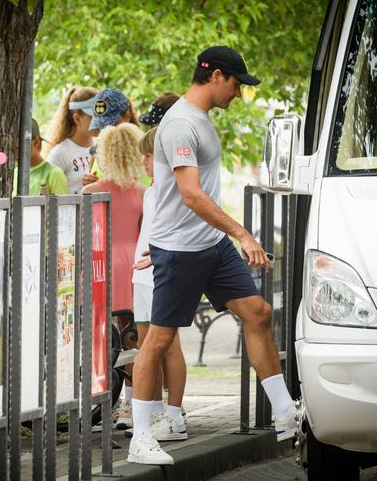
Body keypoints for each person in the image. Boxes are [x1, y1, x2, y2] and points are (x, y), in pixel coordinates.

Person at [127, 46, 298, 466]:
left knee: (257, 312)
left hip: (210, 246)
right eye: (237, 84)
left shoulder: (199, 121)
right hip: (182, 252)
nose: (238, 93)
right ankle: (141, 438)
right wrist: (243, 234)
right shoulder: (180, 125)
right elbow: (190, 195)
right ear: (217, 76)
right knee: (159, 340)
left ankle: (285, 414)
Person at [82, 122, 145, 429]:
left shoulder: (93, 191)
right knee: (134, 334)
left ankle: (101, 400)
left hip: (103, 265)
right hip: (135, 263)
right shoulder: (143, 193)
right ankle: (133, 403)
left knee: (102, 334)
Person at [129, 126, 187, 441]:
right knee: (145, 343)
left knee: (168, 344)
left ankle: (175, 416)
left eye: (148, 156)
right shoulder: (151, 189)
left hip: (163, 273)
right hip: (142, 275)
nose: (144, 163)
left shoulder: (176, 188)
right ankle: (151, 412)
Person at [82, 88, 141, 187]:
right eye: (101, 127)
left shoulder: (145, 151)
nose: (106, 132)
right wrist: (88, 184)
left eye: (112, 124)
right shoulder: (97, 152)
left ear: (127, 116)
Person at [45, 86, 99, 193]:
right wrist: (84, 189)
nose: (101, 121)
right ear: (77, 118)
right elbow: (47, 200)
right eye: (94, 117)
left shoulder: (104, 149)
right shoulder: (60, 153)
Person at [13, 119, 68, 196]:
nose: (15, 153)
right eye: (12, 149)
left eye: (19, 148)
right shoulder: (14, 174)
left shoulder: (54, 174)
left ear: (36, 142)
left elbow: (62, 207)